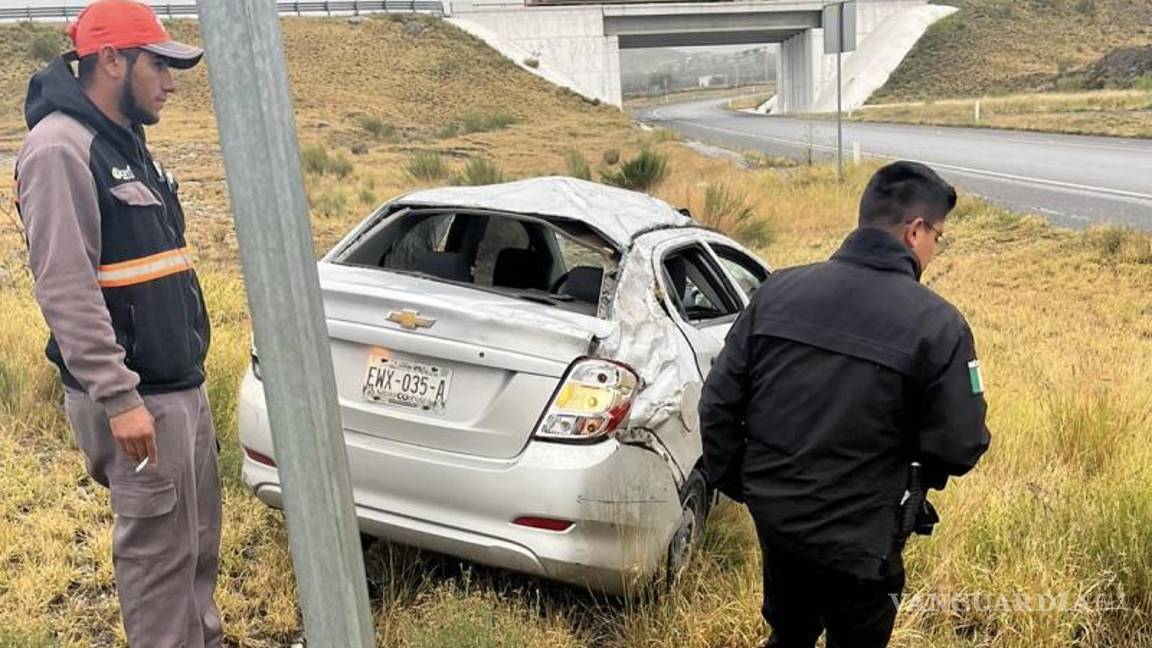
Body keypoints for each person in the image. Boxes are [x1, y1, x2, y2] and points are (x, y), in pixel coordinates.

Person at [700, 161, 991, 648]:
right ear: (915, 231)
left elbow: (718, 404)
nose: (936, 251)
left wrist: (748, 486)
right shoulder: (939, 326)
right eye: (938, 237)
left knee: (789, 633)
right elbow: (960, 445)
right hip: (866, 541)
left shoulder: (776, 291)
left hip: (780, 527)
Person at [14, 1, 220, 645]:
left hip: (176, 386)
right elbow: (65, 286)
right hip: (136, 400)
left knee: (196, 546)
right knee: (158, 561)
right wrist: (118, 395)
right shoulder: (59, 150)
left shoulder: (125, 143)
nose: (170, 81)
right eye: (158, 64)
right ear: (111, 60)